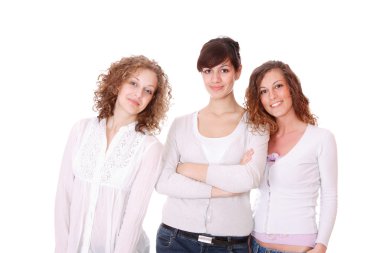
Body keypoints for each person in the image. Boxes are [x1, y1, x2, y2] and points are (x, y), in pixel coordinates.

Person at [155, 36, 269, 253]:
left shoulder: (256, 125)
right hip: (175, 239)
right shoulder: (181, 125)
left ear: (238, 71)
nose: (215, 79)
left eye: (224, 70)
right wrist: (225, 188)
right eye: (208, 71)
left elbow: (250, 177)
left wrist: (186, 169)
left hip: (230, 245)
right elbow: (163, 182)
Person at [54, 55, 172, 253]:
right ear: (118, 84)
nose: (138, 94)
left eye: (148, 91)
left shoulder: (150, 148)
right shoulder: (81, 130)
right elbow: (63, 197)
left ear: (152, 100)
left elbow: (133, 218)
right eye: (133, 83)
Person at [245, 60, 338, 253]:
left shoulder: (320, 139)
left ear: (291, 88)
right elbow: (246, 186)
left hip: (298, 248)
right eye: (263, 91)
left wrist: (321, 246)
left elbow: (330, 196)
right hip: (253, 245)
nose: (272, 96)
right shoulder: (260, 139)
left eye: (278, 86)